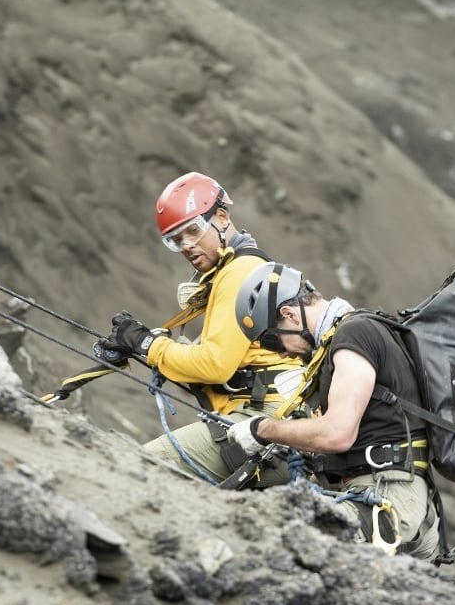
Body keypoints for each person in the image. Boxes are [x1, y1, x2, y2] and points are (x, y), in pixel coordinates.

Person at [95, 172, 303, 487]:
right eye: (176, 240)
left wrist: (147, 345)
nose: (186, 246)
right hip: (277, 418)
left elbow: (215, 365)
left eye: (193, 231)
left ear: (221, 217)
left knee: (134, 468)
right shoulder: (243, 270)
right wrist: (152, 346)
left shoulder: (238, 273)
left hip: (263, 421)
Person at [226, 261, 442, 560]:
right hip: (385, 493)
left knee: (280, 548)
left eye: (273, 340)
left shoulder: (354, 334)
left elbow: (337, 433)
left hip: (387, 496)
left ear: (288, 315)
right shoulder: (351, 334)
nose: (283, 353)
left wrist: (263, 430)